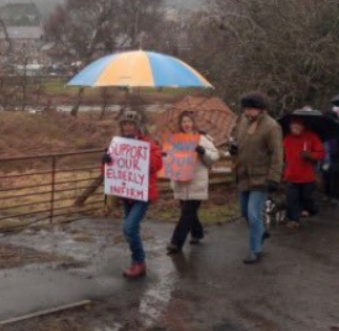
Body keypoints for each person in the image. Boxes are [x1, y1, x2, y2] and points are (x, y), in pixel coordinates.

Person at [102, 110, 163, 279]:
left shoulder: (148, 143)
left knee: (128, 228)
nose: (128, 126)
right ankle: (137, 262)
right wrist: (105, 160)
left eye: (131, 124)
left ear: (137, 126)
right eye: (125, 124)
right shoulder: (117, 144)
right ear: (121, 126)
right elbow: (110, 172)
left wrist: (141, 157)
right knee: (130, 229)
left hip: (142, 194)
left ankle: (139, 262)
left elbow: (157, 164)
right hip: (127, 194)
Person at [230, 93, 283, 264]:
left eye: (251, 109)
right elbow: (238, 141)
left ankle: (255, 250)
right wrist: (233, 149)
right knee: (244, 212)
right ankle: (261, 231)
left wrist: (274, 177)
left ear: (261, 109)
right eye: (246, 108)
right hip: (243, 175)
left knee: (253, 214)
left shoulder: (271, 126)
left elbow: (277, 153)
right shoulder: (243, 122)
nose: (248, 112)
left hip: (261, 178)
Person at [166, 111, 220, 254]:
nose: (186, 124)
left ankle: (175, 243)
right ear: (180, 124)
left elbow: (214, 157)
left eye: (189, 121)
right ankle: (197, 233)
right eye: (183, 121)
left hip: (197, 182)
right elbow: (170, 160)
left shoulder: (202, 139)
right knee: (190, 213)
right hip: (180, 182)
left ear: (194, 123)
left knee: (187, 213)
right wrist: (167, 155)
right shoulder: (176, 140)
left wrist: (203, 152)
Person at [282, 117, 324, 228]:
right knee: (292, 198)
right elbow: (280, 154)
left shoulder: (311, 136)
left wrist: (310, 155)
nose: (295, 127)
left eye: (298, 125)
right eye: (293, 125)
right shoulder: (286, 139)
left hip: (307, 176)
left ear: (302, 126)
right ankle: (293, 219)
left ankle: (311, 209)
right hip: (291, 175)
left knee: (306, 197)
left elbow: (320, 153)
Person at [322, 111, 339, 204]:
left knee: (335, 177)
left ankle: (334, 196)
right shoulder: (323, 129)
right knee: (326, 176)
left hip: (337, 156)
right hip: (326, 155)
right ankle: (327, 194)